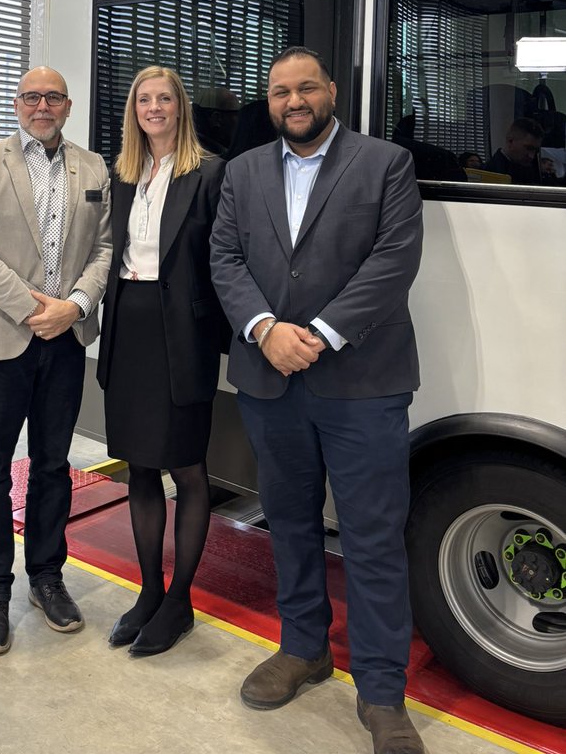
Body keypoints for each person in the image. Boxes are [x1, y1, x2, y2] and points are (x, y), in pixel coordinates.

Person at [210, 47, 425, 754]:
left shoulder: (384, 163)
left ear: (330, 92)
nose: (293, 101)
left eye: (306, 88)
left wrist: (322, 334)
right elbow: (226, 259)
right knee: (292, 524)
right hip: (271, 379)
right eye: (280, 92)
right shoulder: (242, 172)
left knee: (370, 536)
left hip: (363, 381)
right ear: (268, 102)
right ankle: (303, 649)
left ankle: (381, 689)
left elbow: (394, 259)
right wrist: (266, 329)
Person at [0, 66, 111, 656]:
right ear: (17, 104)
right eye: (31, 96)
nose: (41, 105)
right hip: (3, 338)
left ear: (67, 105)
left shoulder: (93, 167)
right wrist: (30, 309)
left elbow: (105, 247)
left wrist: (72, 306)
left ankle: (47, 575)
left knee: (52, 464)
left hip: (66, 339)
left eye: (52, 97)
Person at [97, 66, 226, 657]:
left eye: (164, 99)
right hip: (130, 331)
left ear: (181, 107)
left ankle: (180, 600)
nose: (154, 108)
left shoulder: (209, 173)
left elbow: (224, 261)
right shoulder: (120, 173)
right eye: (144, 100)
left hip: (184, 336)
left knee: (188, 467)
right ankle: (149, 591)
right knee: (140, 467)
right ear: (134, 110)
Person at [485, 118, 544, 184]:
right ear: (510, 141)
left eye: (535, 150)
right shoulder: (486, 174)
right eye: (528, 148)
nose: (531, 156)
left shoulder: (531, 171)